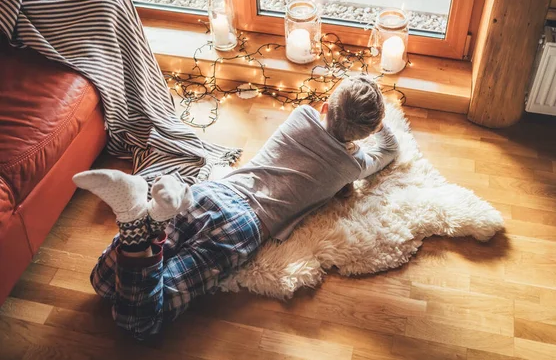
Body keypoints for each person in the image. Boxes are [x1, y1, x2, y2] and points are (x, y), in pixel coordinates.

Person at [74, 75, 400, 339]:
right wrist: (377, 123)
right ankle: (139, 220)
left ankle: (146, 218)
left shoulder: (302, 115)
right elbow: (390, 151)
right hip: (243, 225)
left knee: (103, 284)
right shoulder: (353, 166)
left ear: (326, 106)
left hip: (212, 191)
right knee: (139, 324)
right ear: (368, 131)